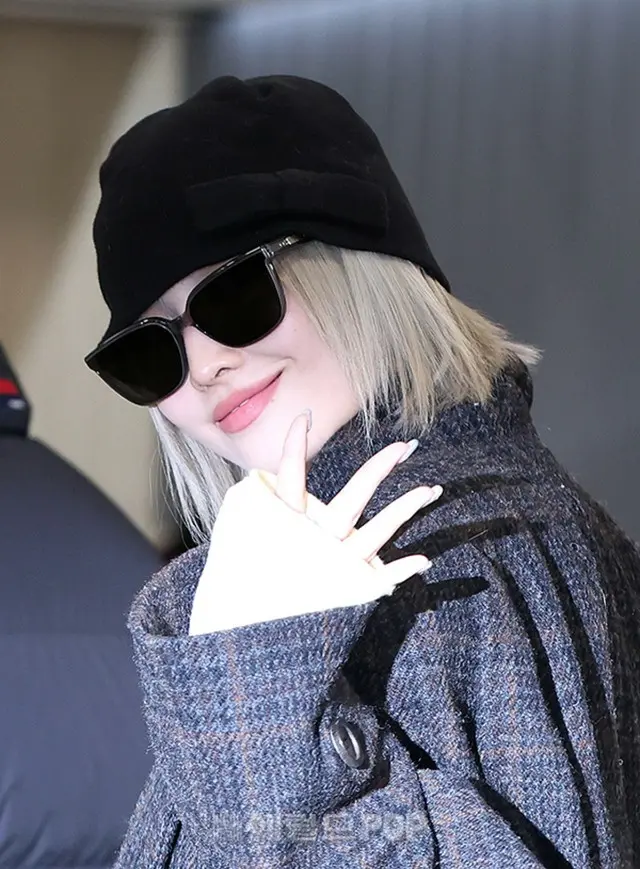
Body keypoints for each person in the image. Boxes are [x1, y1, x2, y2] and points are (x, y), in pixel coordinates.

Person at [85, 75, 640, 868]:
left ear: (358, 267)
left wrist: (254, 693)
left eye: (233, 297)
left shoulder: (441, 564)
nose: (203, 366)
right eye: (148, 350)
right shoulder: (504, 529)